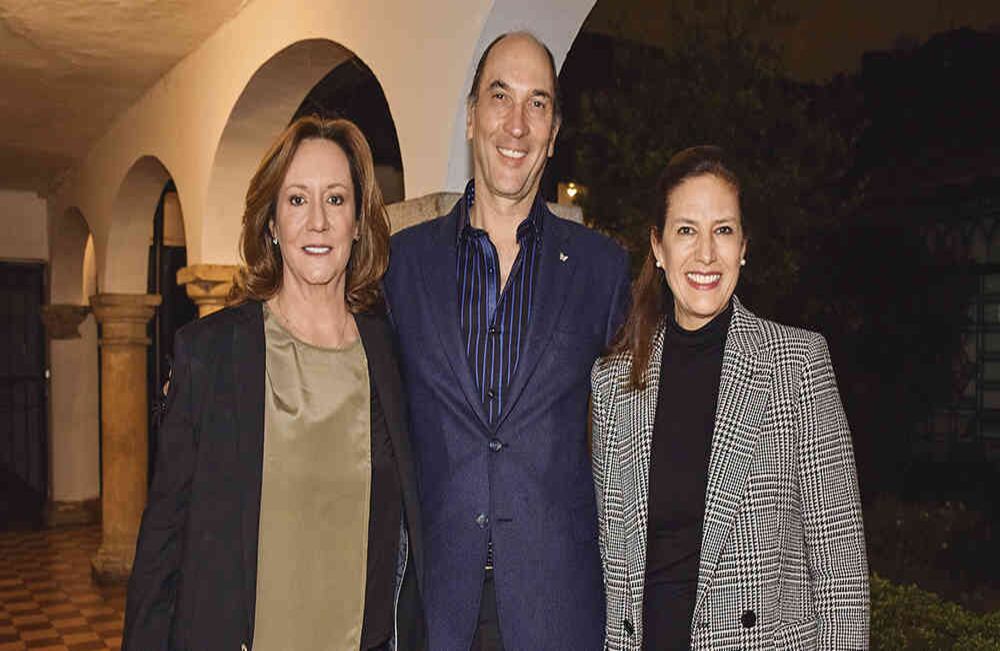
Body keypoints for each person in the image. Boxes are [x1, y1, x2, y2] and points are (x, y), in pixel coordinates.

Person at [123, 115, 425, 651]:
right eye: (296, 200)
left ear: (358, 221)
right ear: (271, 223)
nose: (317, 223)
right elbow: (163, 540)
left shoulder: (392, 354)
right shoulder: (210, 354)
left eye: (335, 199)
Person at [384, 31, 631, 651]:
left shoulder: (603, 271)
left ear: (553, 132)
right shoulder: (399, 267)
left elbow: (638, 440)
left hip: (559, 611)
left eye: (538, 103)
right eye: (500, 96)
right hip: (435, 609)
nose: (516, 124)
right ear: (471, 118)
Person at [591, 146, 869, 650]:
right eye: (685, 231)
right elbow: (613, 575)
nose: (705, 254)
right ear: (657, 247)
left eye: (723, 230)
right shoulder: (614, 383)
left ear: (743, 246)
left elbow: (841, 572)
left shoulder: (796, 365)